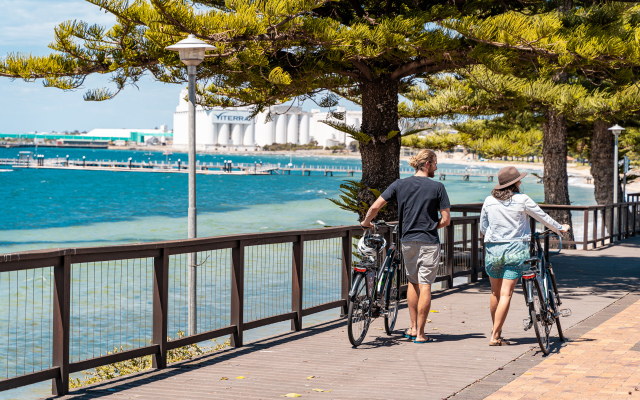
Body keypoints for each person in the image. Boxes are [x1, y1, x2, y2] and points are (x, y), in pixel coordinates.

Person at [361, 149, 450, 343]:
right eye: (435, 163)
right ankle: (421, 334)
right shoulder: (438, 187)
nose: (436, 167)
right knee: (426, 285)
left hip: (408, 240)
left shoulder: (399, 184)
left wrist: (367, 222)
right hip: (429, 241)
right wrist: (432, 225)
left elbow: (375, 206)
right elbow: (446, 220)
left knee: (412, 282)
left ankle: (411, 327)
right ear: (427, 164)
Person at [480, 166, 569, 346]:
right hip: (515, 249)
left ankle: (496, 330)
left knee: (495, 293)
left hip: (493, 250)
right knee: (506, 294)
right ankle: (495, 336)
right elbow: (543, 217)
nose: (520, 182)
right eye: (519, 180)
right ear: (515, 183)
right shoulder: (522, 199)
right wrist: (560, 229)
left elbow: (484, 227)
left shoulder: (489, 201)